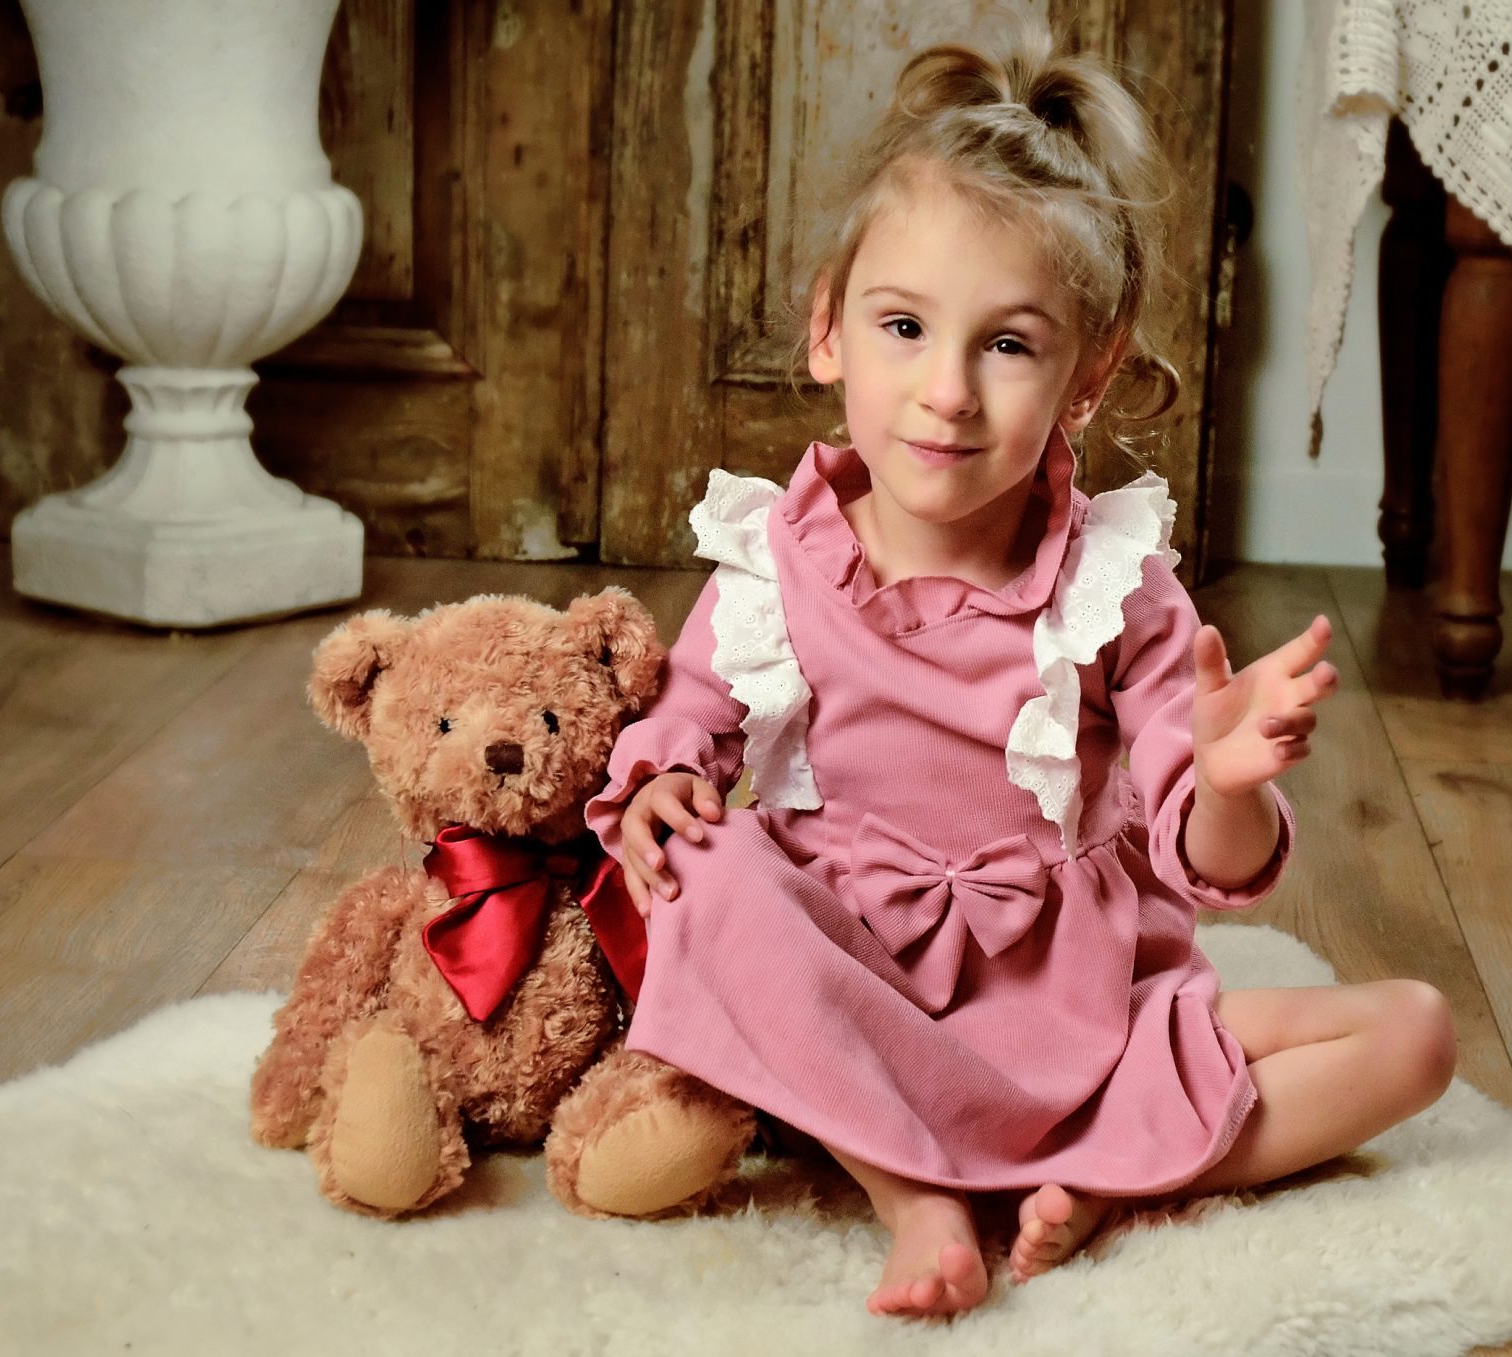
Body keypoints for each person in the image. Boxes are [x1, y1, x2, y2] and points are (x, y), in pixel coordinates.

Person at [583, 23, 1457, 1320]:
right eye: (903, 326)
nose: (946, 390)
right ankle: (915, 1192)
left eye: (1007, 345)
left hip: (1074, 1007)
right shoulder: (778, 557)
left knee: (1415, 1033)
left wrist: (1224, 778)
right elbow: (689, 716)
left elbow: (1204, 855)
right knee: (702, 869)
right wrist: (660, 783)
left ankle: (1097, 1161)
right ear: (828, 332)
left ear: (1086, 375)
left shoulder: (1115, 584)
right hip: (858, 980)